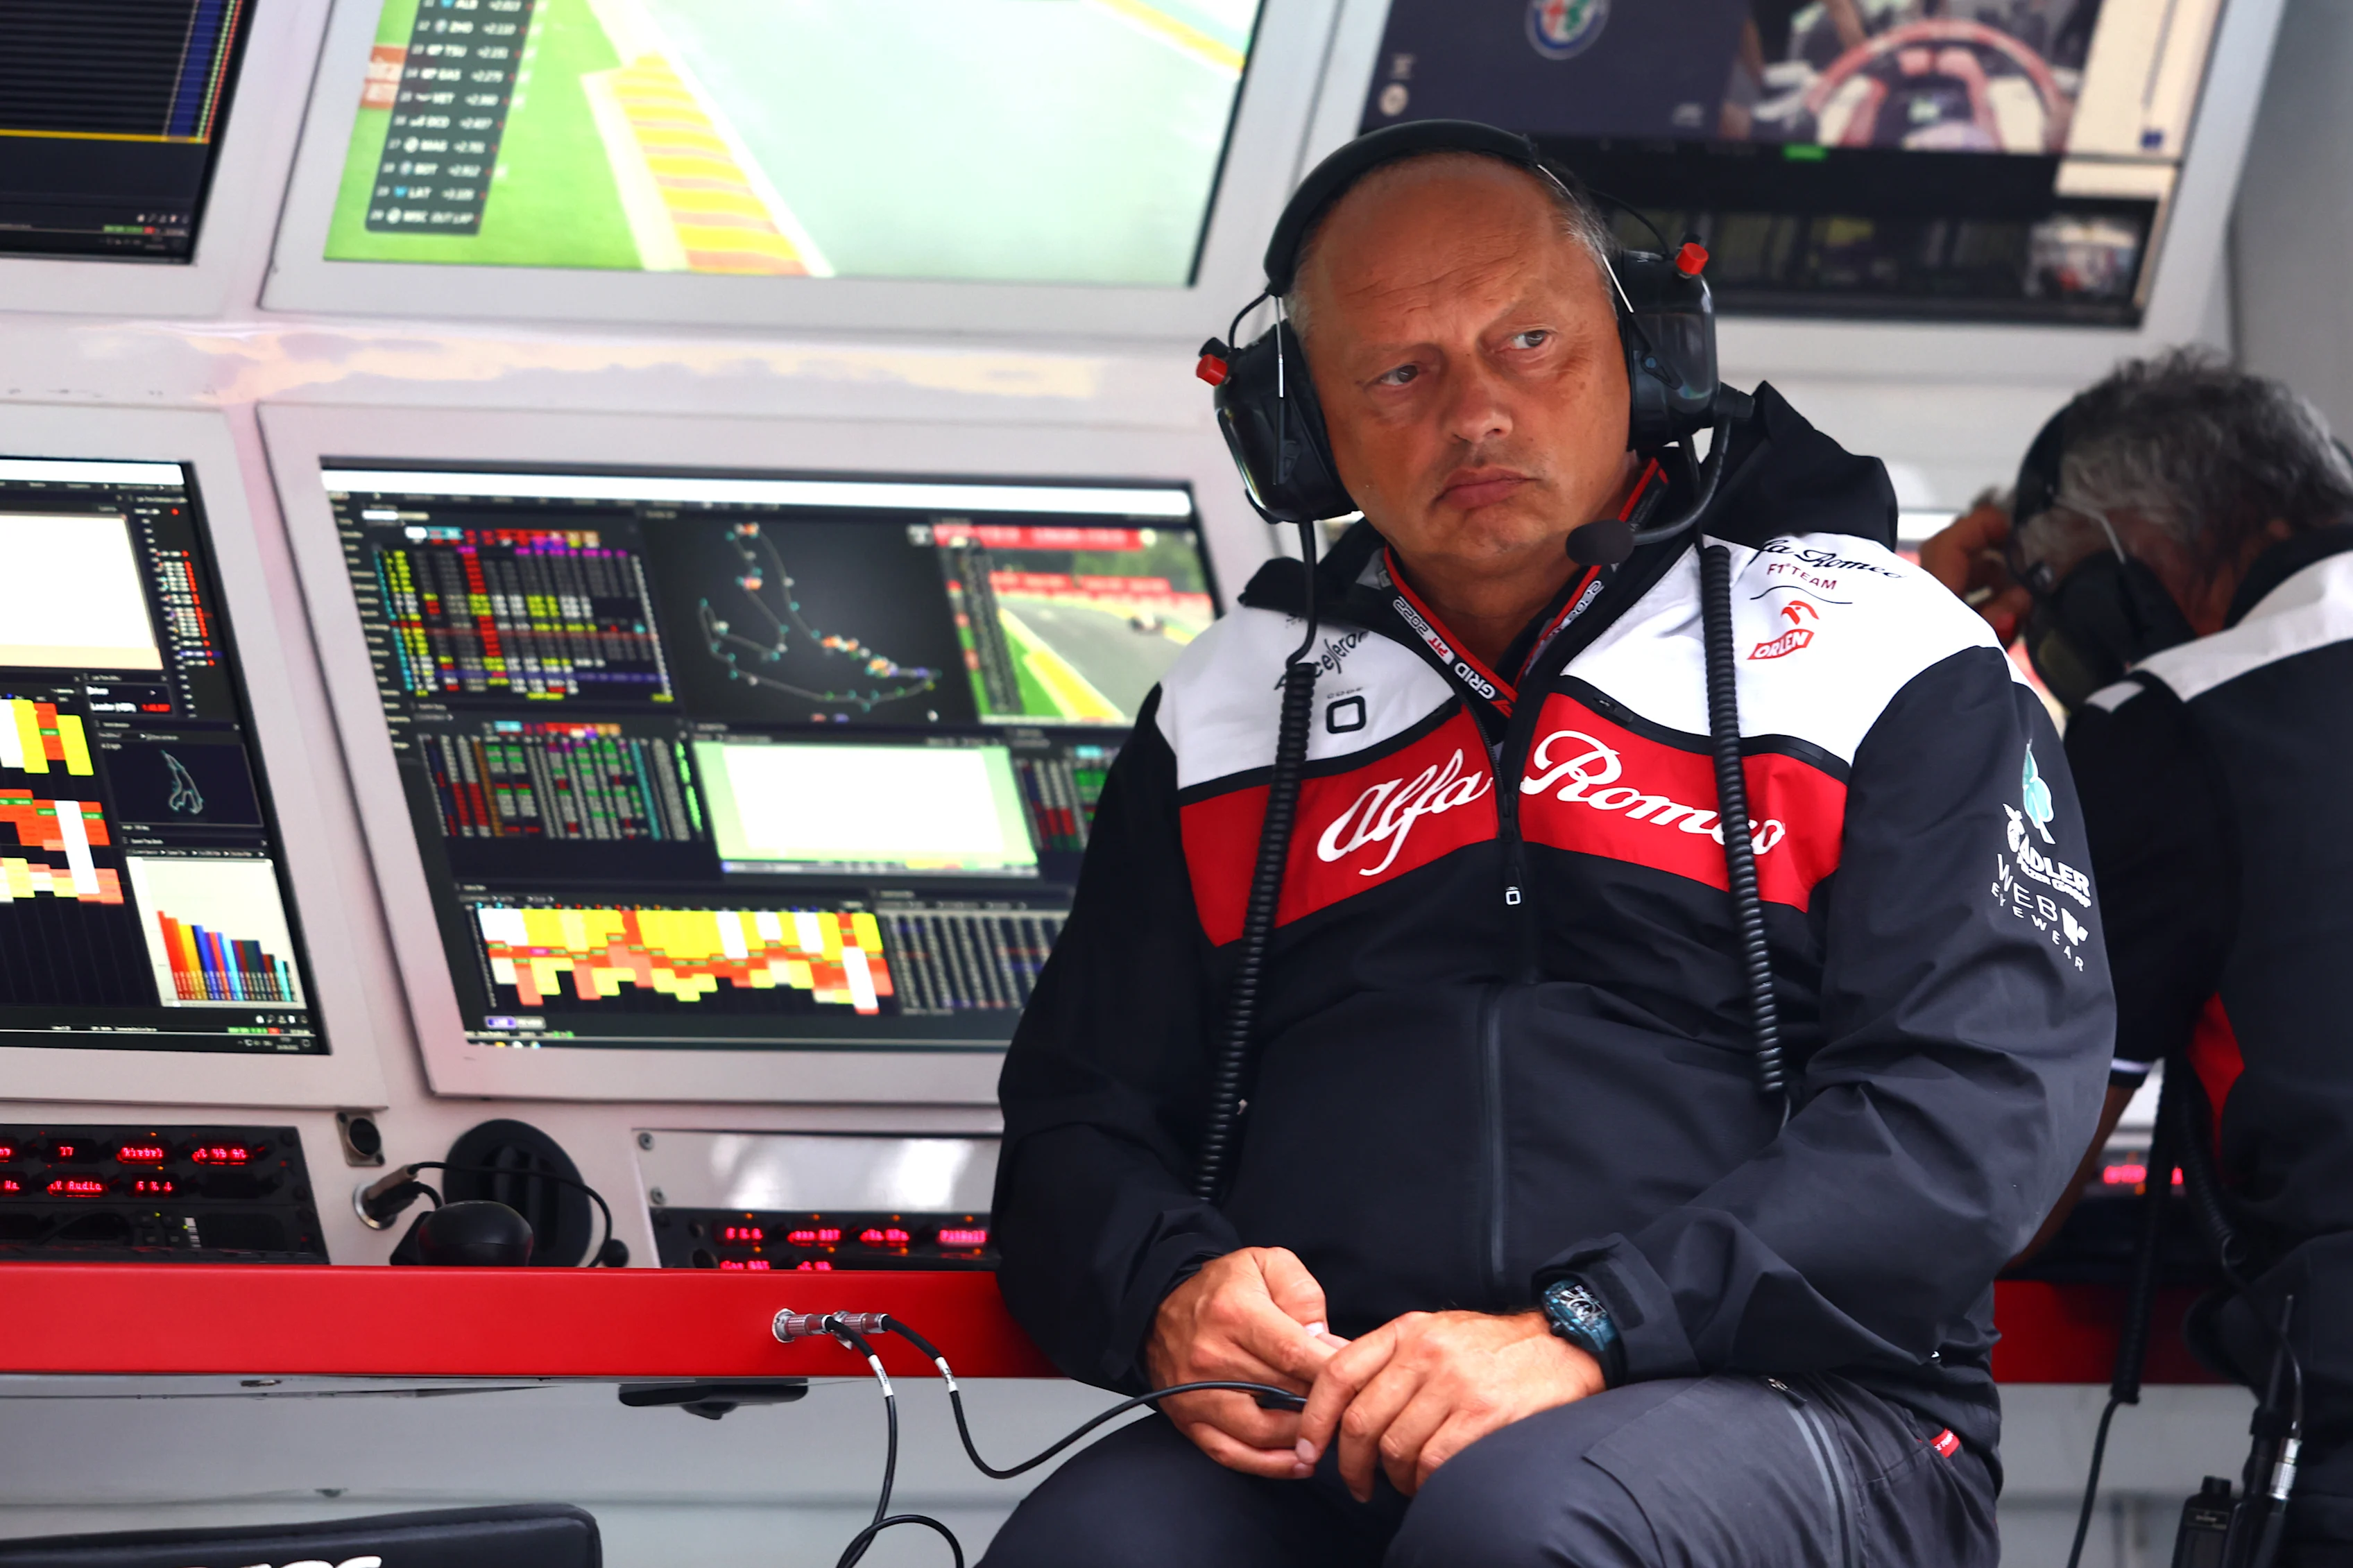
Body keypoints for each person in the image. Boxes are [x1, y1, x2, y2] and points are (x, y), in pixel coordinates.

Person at [983, 126, 2112, 1567]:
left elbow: (1977, 1105)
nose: (1476, 413)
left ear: (1649, 358)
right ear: (1299, 426)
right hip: (1349, 1414)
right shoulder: (1224, 708)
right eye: (1399, 371)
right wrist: (1166, 1284)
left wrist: (1587, 1324)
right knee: (1094, 1550)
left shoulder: (1879, 651)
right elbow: (1077, 1122)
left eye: (1528, 339)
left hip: (1803, 1404)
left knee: (1520, 1527)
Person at [1922, 352, 2353, 1563]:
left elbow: (2016, 1188)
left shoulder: (2174, 723)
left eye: (2052, 584)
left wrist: (1913, 632)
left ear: (2129, 561)